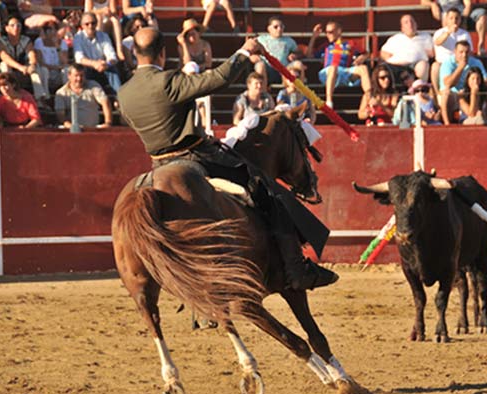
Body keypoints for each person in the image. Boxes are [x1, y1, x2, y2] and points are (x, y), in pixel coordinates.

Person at [117, 27, 337, 291]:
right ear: (163, 53)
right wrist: (245, 52)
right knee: (268, 189)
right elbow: (218, 78)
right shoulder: (168, 81)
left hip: (158, 164)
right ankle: (296, 268)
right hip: (197, 158)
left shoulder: (124, 93)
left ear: (133, 52)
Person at [306, 20, 370, 109]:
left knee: (363, 68)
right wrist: (314, 37)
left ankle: (369, 99)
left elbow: (366, 53)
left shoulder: (350, 44)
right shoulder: (326, 46)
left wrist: (362, 57)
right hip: (328, 73)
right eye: (326, 32)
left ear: (339, 31)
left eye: (330, 32)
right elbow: (309, 56)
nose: (328, 34)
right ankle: (329, 101)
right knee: (333, 67)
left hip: (344, 71)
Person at [439, 40, 487, 124]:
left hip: (471, 90)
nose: (464, 55)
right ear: (455, 52)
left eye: (467, 52)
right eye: (461, 52)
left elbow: (486, 80)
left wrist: (475, 84)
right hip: (455, 93)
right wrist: (461, 67)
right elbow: (448, 83)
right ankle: (447, 123)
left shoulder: (475, 62)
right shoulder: (448, 63)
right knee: (446, 93)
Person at [0, 16, 49, 102]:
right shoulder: (1, 41)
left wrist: (32, 65)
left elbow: (31, 54)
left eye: (18, 25)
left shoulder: (26, 40)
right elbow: (4, 57)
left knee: (37, 68)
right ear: (6, 28)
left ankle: (40, 99)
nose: (16, 28)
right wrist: (20, 67)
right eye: (12, 25)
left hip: (24, 70)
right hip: (11, 69)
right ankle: (9, 95)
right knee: (4, 65)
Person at [73, 12, 121, 95]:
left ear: (96, 23)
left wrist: (106, 64)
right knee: (83, 70)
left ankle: (119, 97)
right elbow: (79, 58)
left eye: (93, 23)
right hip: (88, 68)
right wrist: (94, 64)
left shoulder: (104, 36)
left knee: (113, 70)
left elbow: (112, 57)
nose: (90, 26)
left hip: (103, 67)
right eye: (87, 24)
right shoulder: (78, 37)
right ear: (82, 26)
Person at [55, 63, 112, 129]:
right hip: (72, 131)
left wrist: (108, 122)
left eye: (81, 75)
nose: (79, 79)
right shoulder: (61, 93)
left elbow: (105, 102)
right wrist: (71, 126)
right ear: (69, 76)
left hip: (93, 130)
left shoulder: (94, 85)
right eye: (76, 76)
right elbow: (61, 116)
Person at [380, 14, 434, 83]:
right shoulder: (395, 38)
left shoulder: (425, 36)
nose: (410, 24)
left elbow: (431, 53)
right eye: (406, 22)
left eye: (412, 22)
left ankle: (419, 89)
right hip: (397, 66)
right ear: (402, 28)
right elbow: (383, 53)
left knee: (423, 65)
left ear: (416, 24)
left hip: (416, 65)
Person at [431, 8, 473, 95]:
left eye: (457, 18)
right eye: (451, 18)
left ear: (460, 20)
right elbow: (437, 42)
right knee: (435, 67)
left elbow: (470, 51)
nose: (454, 20)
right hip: (442, 64)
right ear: (446, 19)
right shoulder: (439, 32)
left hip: (459, 62)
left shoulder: (465, 34)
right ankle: (437, 94)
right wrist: (448, 32)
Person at [421, 0, 487, 53]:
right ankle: (452, 50)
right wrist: (433, 4)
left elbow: (468, 4)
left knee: (482, 15)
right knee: (446, 17)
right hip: (446, 14)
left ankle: (481, 44)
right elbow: (423, 1)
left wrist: (463, 17)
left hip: (462, 13)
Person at [257, 16, 299, 87]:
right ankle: (263, 93)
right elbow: (250, 50)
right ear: (269, 28)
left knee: (298, 64)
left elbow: (298, 52)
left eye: (281, 27)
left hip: (284, 69)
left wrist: (294, 55)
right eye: (275, 27)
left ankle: (297, 92)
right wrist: (253, 56)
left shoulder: (289, 41)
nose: (279, 29)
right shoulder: (261, 39)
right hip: (267, 69)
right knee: (259, 65)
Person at [33, 20, 68, 94]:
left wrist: (57, 46)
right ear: (45, 32)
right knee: (43, 70)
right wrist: (55, 67)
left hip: (58, 73)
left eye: (55, 29)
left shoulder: (63, 43)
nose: (53, 32)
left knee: (66, 71)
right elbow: (40, 62)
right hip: (46, 71)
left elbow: (64, 61)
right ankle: (45, 95)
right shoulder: (39, 42)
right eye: (50, 30)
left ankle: (67, 94)